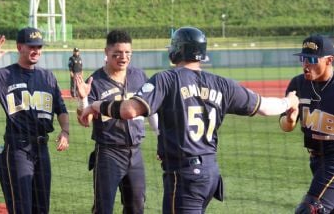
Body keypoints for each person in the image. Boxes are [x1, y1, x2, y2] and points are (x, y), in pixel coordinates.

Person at [79, 26, 299, 213]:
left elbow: (128, 110)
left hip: (184, 175)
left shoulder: (166, 79)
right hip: (210, 174)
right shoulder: (222, 84)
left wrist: (96, 105)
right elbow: (266, 107)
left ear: (177, 50)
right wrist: (289, 101)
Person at [0, 27, 69, 214]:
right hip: (17, 149)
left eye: (39, 47)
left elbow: (61, 108)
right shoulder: (4, 76)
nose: (36, 51)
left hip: (42, 149)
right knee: (22, 208)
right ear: (20, 47)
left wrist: (65, 131)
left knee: (42, 209)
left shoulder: (47, 77)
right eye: (31, 46)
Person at [75, 29, 158, 214]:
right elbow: (85, 120)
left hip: (135, 152)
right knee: (103, 208)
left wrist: (161, 137)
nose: (123, 57)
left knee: (137, 206)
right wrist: (83, 99)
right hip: (108, 153)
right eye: (117, 53)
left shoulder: (139, 76)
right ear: (106, 52)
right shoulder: (94, 81)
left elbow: (151, 110)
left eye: (127, 53)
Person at [280, 35, 334, 213]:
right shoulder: (298, 84)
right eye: (303, 59)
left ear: (329, 61)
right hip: (316, 159)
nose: (305, 65)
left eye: (312, 59)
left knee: (310, 208)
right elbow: (285, 126)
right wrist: (289, 118)